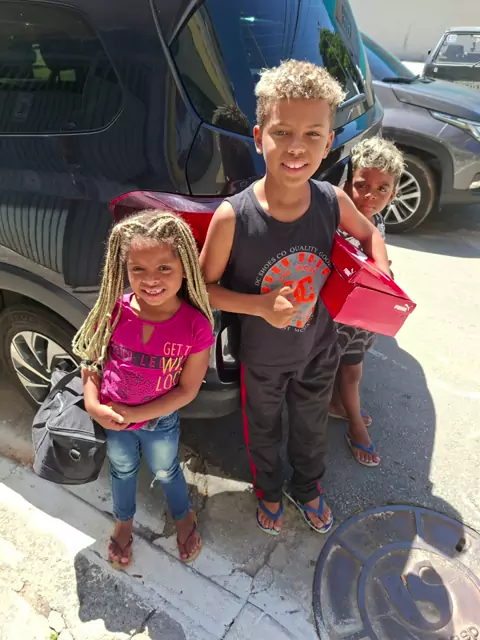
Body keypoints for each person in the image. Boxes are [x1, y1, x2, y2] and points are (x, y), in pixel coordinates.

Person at [200, 60, 391, 536]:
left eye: (312, 135)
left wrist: (381, 272)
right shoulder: (233, 217)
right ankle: (268, 489)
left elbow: (371, 236)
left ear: (329, 143)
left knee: (310, 425)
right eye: (282, 132)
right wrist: (259, 306)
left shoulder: (332, 201)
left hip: (319, 348)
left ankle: (307, 486)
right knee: (263, 429)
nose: (296, 147)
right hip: (262, 358)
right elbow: (203, 288)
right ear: (259, 135)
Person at [72, 210, 214, 567]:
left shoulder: (196, 326)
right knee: (121, 469)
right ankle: (124, 521)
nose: (151, 279)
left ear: (186, 268)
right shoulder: (113, 311)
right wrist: (92, 404)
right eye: (138, 269)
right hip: (114, 418)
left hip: (160, 423)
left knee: (166, 469)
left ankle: (183, 516)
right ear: (124, 268)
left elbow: (187, 390)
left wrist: (138, 414)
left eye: (164, 268)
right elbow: (91, 360)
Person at [329, 137, 404, 467]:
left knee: (349, 369)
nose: (370, 196)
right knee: (347, 371)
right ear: (347, 183)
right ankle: (356, 429)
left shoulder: (377, 221)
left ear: (394, 193)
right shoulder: (338, 222)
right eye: (362, 185)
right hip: (338, 320)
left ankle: (339, 405)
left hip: (362, 318)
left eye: (382, 189)